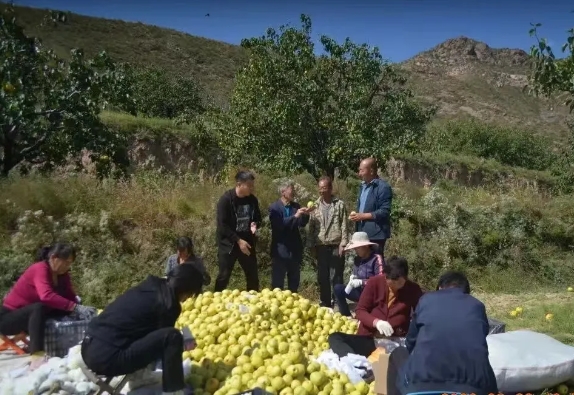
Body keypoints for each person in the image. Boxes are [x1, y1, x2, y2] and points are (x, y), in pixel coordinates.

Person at [81, 264, 206, 395]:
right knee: (172, 337)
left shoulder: (150, 286)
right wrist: (184, 343)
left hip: (89, 348)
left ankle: (139, 377)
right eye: (190, 293)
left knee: (148, 332)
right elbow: (166, 343)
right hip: (106, 359)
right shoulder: (168, 304)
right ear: (184, 288)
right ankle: (173, 391)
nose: (187, 298)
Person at [392, 271, 498, 395]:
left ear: (440, 288)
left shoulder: (426, 300)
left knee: (397, 353)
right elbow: (478, 339)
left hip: (421, 385)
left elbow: (410, 342)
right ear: (466, 292)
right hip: (474, 388)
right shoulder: (477, 305)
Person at [0, 243, 96, 369]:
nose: (67, 266)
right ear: (54, 258)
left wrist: (80, 308)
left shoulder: (63, 275)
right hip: (8, 318)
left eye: (70, 263)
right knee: (39, 307)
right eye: (66, 262)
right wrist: (74, 307)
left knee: (70, 308)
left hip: (33, 317)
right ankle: (37, 356)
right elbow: (46, 296)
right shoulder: (39, 269)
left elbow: (69, 297)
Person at [328, 257, 423, 358]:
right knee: (335, 337)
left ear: (406, 278)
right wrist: (376, 322)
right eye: (392, 283)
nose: (396, 286)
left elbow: (422, 313)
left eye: (399, 283)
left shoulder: (413, 289)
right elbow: (360, 310)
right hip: (370, 339)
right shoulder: (374, 283)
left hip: (395, 340)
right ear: (386, 277)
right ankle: (354, 361)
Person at [214, 170, 262, 292]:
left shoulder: (252, 200)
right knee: (224, 276)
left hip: (247, 243)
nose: (252, 188)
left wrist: (255, 224)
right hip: (229, 244)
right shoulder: (226, 200)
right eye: (249, 185)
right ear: (239, 184)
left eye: (252, 185)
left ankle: (253, 302)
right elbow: (222, 225)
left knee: (252, 276)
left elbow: (258, 218)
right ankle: (215, 300)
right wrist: (238, 241)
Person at [307, 176, 349, 308]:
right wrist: (311, 246)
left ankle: (338, 301)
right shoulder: (314, 206)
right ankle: (325, 301)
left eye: (325, 188)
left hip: (336, 245)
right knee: (322, 276)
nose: (322, 191)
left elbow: (344, 225)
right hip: (321, 246)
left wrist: (343, 243)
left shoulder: (339, 204)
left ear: (330, 189)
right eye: (320, 188)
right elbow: (311, 227)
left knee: (336, 276)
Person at [269, 179, 311, 292]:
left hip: (294, 250)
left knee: (294, 282)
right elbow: (278, 225)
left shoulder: (295, 206)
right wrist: (295, 217)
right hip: (280, 251)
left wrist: (306, 215)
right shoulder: (274, 208)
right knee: (277, 284)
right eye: (291, 190)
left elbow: (301, 224)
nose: (294, 193)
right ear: (283, 192)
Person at [333, 232, 384, 317]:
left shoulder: (376, 259)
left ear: (366, 246)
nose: (356, 250)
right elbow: (356, 275)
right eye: (355, 248)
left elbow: (381, 280)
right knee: (338, 288)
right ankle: (346, 315)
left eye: (358, 248)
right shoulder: (357, 259)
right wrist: (352, 280)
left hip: (373, 295)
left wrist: (362, 282)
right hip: (360, 292)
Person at [349, 157, 392, 256]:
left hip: (376, 235)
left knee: (375, 265)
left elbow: (384, 211)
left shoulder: (383, 187)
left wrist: (363, 216)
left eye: (361, 170)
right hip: (362, 234)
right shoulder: (362, 186)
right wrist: (356, 217)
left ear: (371, 171)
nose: (359, 174)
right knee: (363, 265)